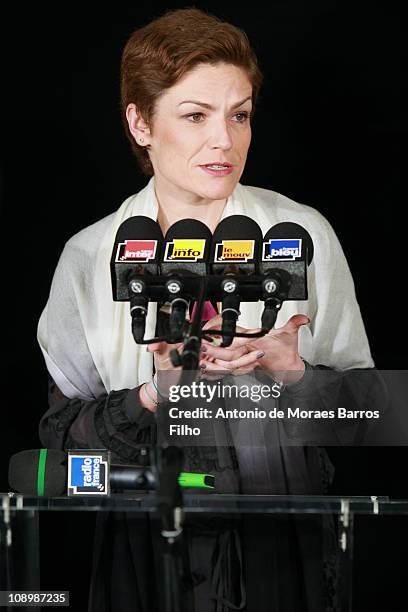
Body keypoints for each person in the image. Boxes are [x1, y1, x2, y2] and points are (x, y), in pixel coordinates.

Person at [37, 8, 377, 612]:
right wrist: (152, 396)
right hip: (147, 551)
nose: (225, 139)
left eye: (240, 115)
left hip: (285, 547)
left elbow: (371, 420)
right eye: (195, 116)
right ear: (140, 123)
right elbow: (60, 451)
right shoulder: (90, 257)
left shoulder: (302, 234)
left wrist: (294, 378)